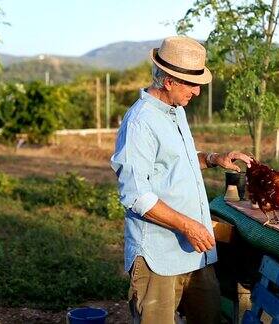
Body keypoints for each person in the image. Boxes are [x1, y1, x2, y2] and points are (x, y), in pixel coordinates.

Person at [110, 35, 252, 324]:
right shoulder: (140, 122)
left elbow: (177, 162)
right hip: (159, 256)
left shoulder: (175, 111)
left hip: (195, 253)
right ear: (169, 81)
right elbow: (137, 196)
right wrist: (189, 226)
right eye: (192, 84)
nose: (197, 92)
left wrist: (213, 158)